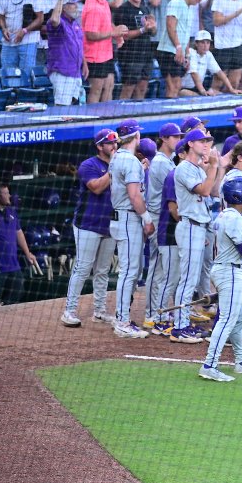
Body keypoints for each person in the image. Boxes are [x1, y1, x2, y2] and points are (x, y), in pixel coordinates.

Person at [199, 175, 242, 382]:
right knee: (227, 319)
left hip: (226, 269)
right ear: (236, 196)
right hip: (229, 271)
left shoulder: (223, 216)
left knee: (239, 318)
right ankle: (209, 365)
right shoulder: (235, 219)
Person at [61, 130, 118, 326]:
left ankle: (100, 310)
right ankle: (69, 311)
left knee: (103, 270)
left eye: (115, 143)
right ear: (100, 146)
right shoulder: (88, 165)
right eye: (109, 143)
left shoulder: (118, 163)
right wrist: (113, 168)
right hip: (87, 224)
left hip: (109, 224)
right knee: (83, 268)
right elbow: (96, 187)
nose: (114, 146)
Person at [171, 128, 221, 344]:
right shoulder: (183, 169)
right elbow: (204, 191)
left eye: (207, 141)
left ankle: (184, 324)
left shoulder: (199, 168)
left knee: (192, 278)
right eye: (201, 141)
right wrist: (213, 167)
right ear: (190, 144)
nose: (206, 144)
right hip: (190, 226)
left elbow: (214, 190)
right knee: (188, 279)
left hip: (199, 226)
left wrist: (214, 168)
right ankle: (179, 327)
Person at [108, 119, 154, 338]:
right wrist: (146, 218)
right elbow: (134, 196)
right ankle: (122, 321)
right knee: (129, 272)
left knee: (130, 271)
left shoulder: (117, 157)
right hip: (128, 218)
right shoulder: (130, 161)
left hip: (121, 218)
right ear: (136, 137)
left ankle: (122, 317)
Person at [142, 123, 183, 333]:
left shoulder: (166, 161)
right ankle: (151, 314)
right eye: (174, 137)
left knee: (161, 268)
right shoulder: (161, 162)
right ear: (164, 139)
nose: (177, 140)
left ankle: (158, 312)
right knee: (158, 267)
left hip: (162, 216)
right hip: (158, 217)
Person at [44, 0, 84, 107]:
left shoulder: (75, 23)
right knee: (62, 109)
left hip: (75, 72)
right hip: (62, 73)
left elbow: (79, 45)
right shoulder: (59, 23)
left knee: (73, 106)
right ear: (64, 7)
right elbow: (54, 20)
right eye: (72, 4)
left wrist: (84, 63)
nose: (76, 6)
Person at [181, 30, 242, 95]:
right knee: (185, 93)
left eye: (208, 43)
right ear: (196, 44)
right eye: (202, 42)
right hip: (185, 88)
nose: (205, 45)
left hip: (199, 88)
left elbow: (219, 72)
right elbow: (194, 74)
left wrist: (231, 89)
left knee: (220, 95)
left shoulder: (208, 54)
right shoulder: (191, 52)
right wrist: (203, 92)